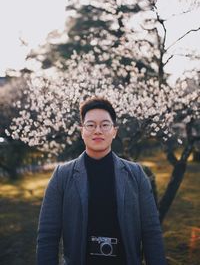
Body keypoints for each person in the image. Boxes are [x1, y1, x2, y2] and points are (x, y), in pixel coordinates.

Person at [36, 97, 167, 265]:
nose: (98, 131)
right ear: (81, 130)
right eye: (90, 125)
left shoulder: (135, 174)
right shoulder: (62, 175)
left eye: (105, 125)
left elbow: (151, 232)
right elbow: (47, 235)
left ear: (114, 131)